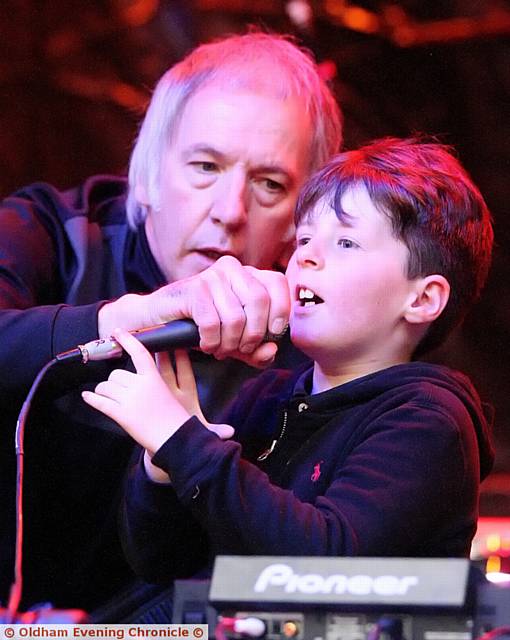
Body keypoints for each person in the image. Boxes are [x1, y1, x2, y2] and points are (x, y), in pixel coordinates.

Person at [0, 32, 342, 610]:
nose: (230, 211)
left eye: (270, 184)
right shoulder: (53, 234)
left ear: (300, 220)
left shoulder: (315, 339)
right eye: (205, 167)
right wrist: (125, 318)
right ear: (148, 173)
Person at [82, 137, 494, 585]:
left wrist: (183, 442)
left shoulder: (426, 421)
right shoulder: (265, 396)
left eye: (347, 243)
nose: (307, 256)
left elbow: (322, 562)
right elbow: (163, 562)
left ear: (423, 298)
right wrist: (162, 464)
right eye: (305, 238)